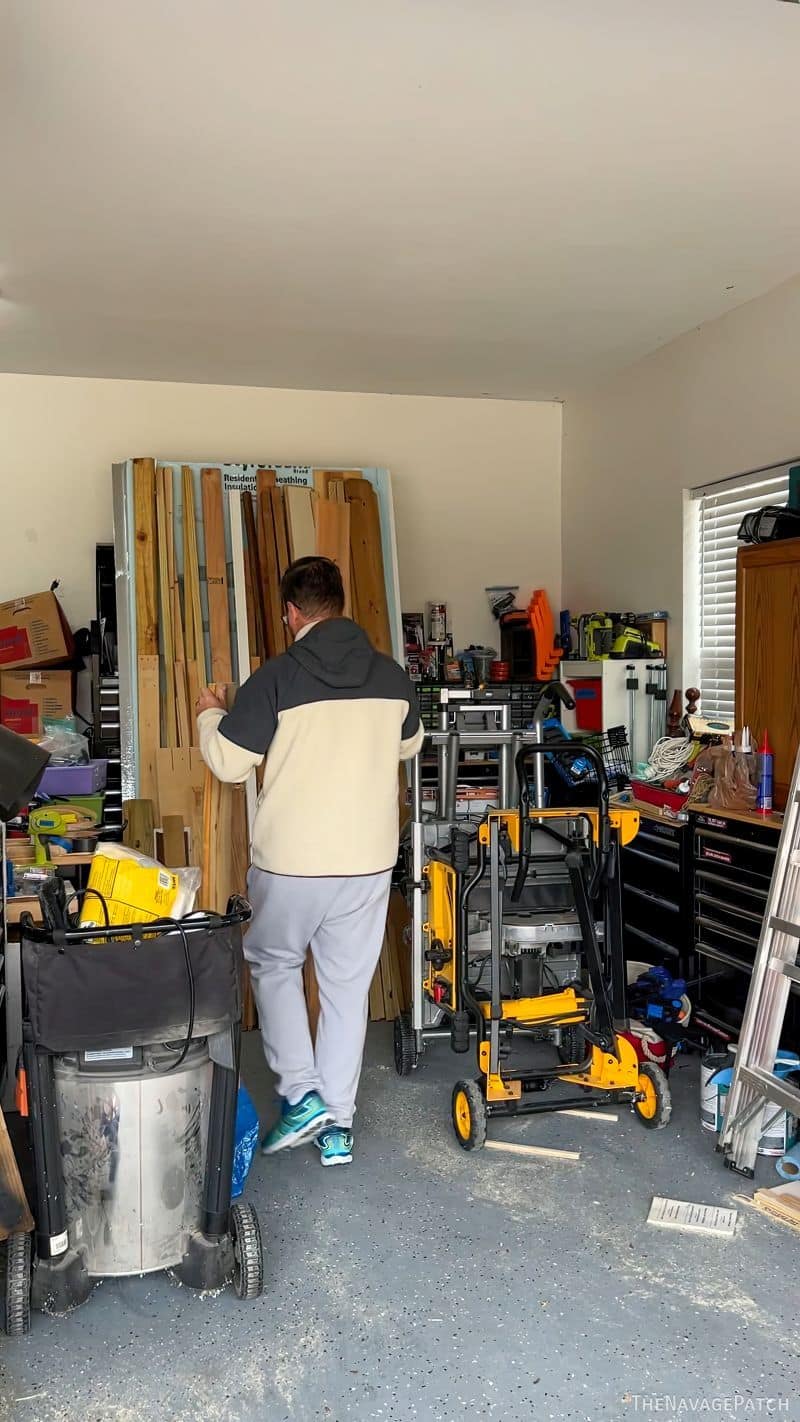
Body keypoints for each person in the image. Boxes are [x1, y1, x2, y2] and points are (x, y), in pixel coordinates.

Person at [196, 555, 424, 1167]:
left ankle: (301, 1095)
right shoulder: (393, 677)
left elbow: (226, 761)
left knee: (273, 965)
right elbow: (408, 745)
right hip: (369, 861)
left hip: (293, 862)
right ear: (341, 605)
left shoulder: (276, 679)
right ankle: (338, 1127)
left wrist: (210, 710)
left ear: (290, 613)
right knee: (347, 989)